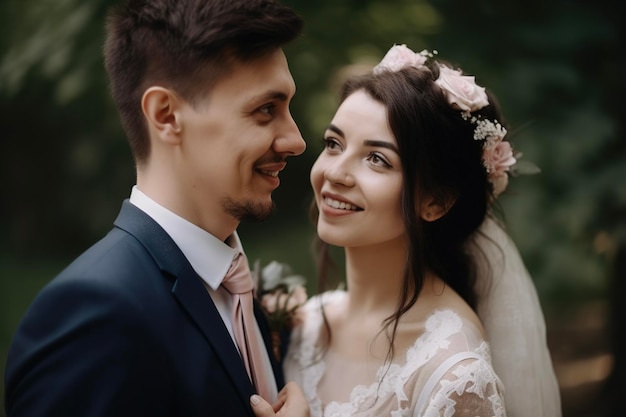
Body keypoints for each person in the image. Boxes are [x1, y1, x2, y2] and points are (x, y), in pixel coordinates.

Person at [4, 1, 310, 416]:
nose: (295, 140)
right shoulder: (96, 315)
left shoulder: (234, 286)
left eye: (287, 108)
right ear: (166, 115)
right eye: (265, 110)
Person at [281, 44, 561, 416]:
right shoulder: (305, 322)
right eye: (334, 144)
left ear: (436, 202)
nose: (334, 172)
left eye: (377, 159)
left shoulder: (454, 375)